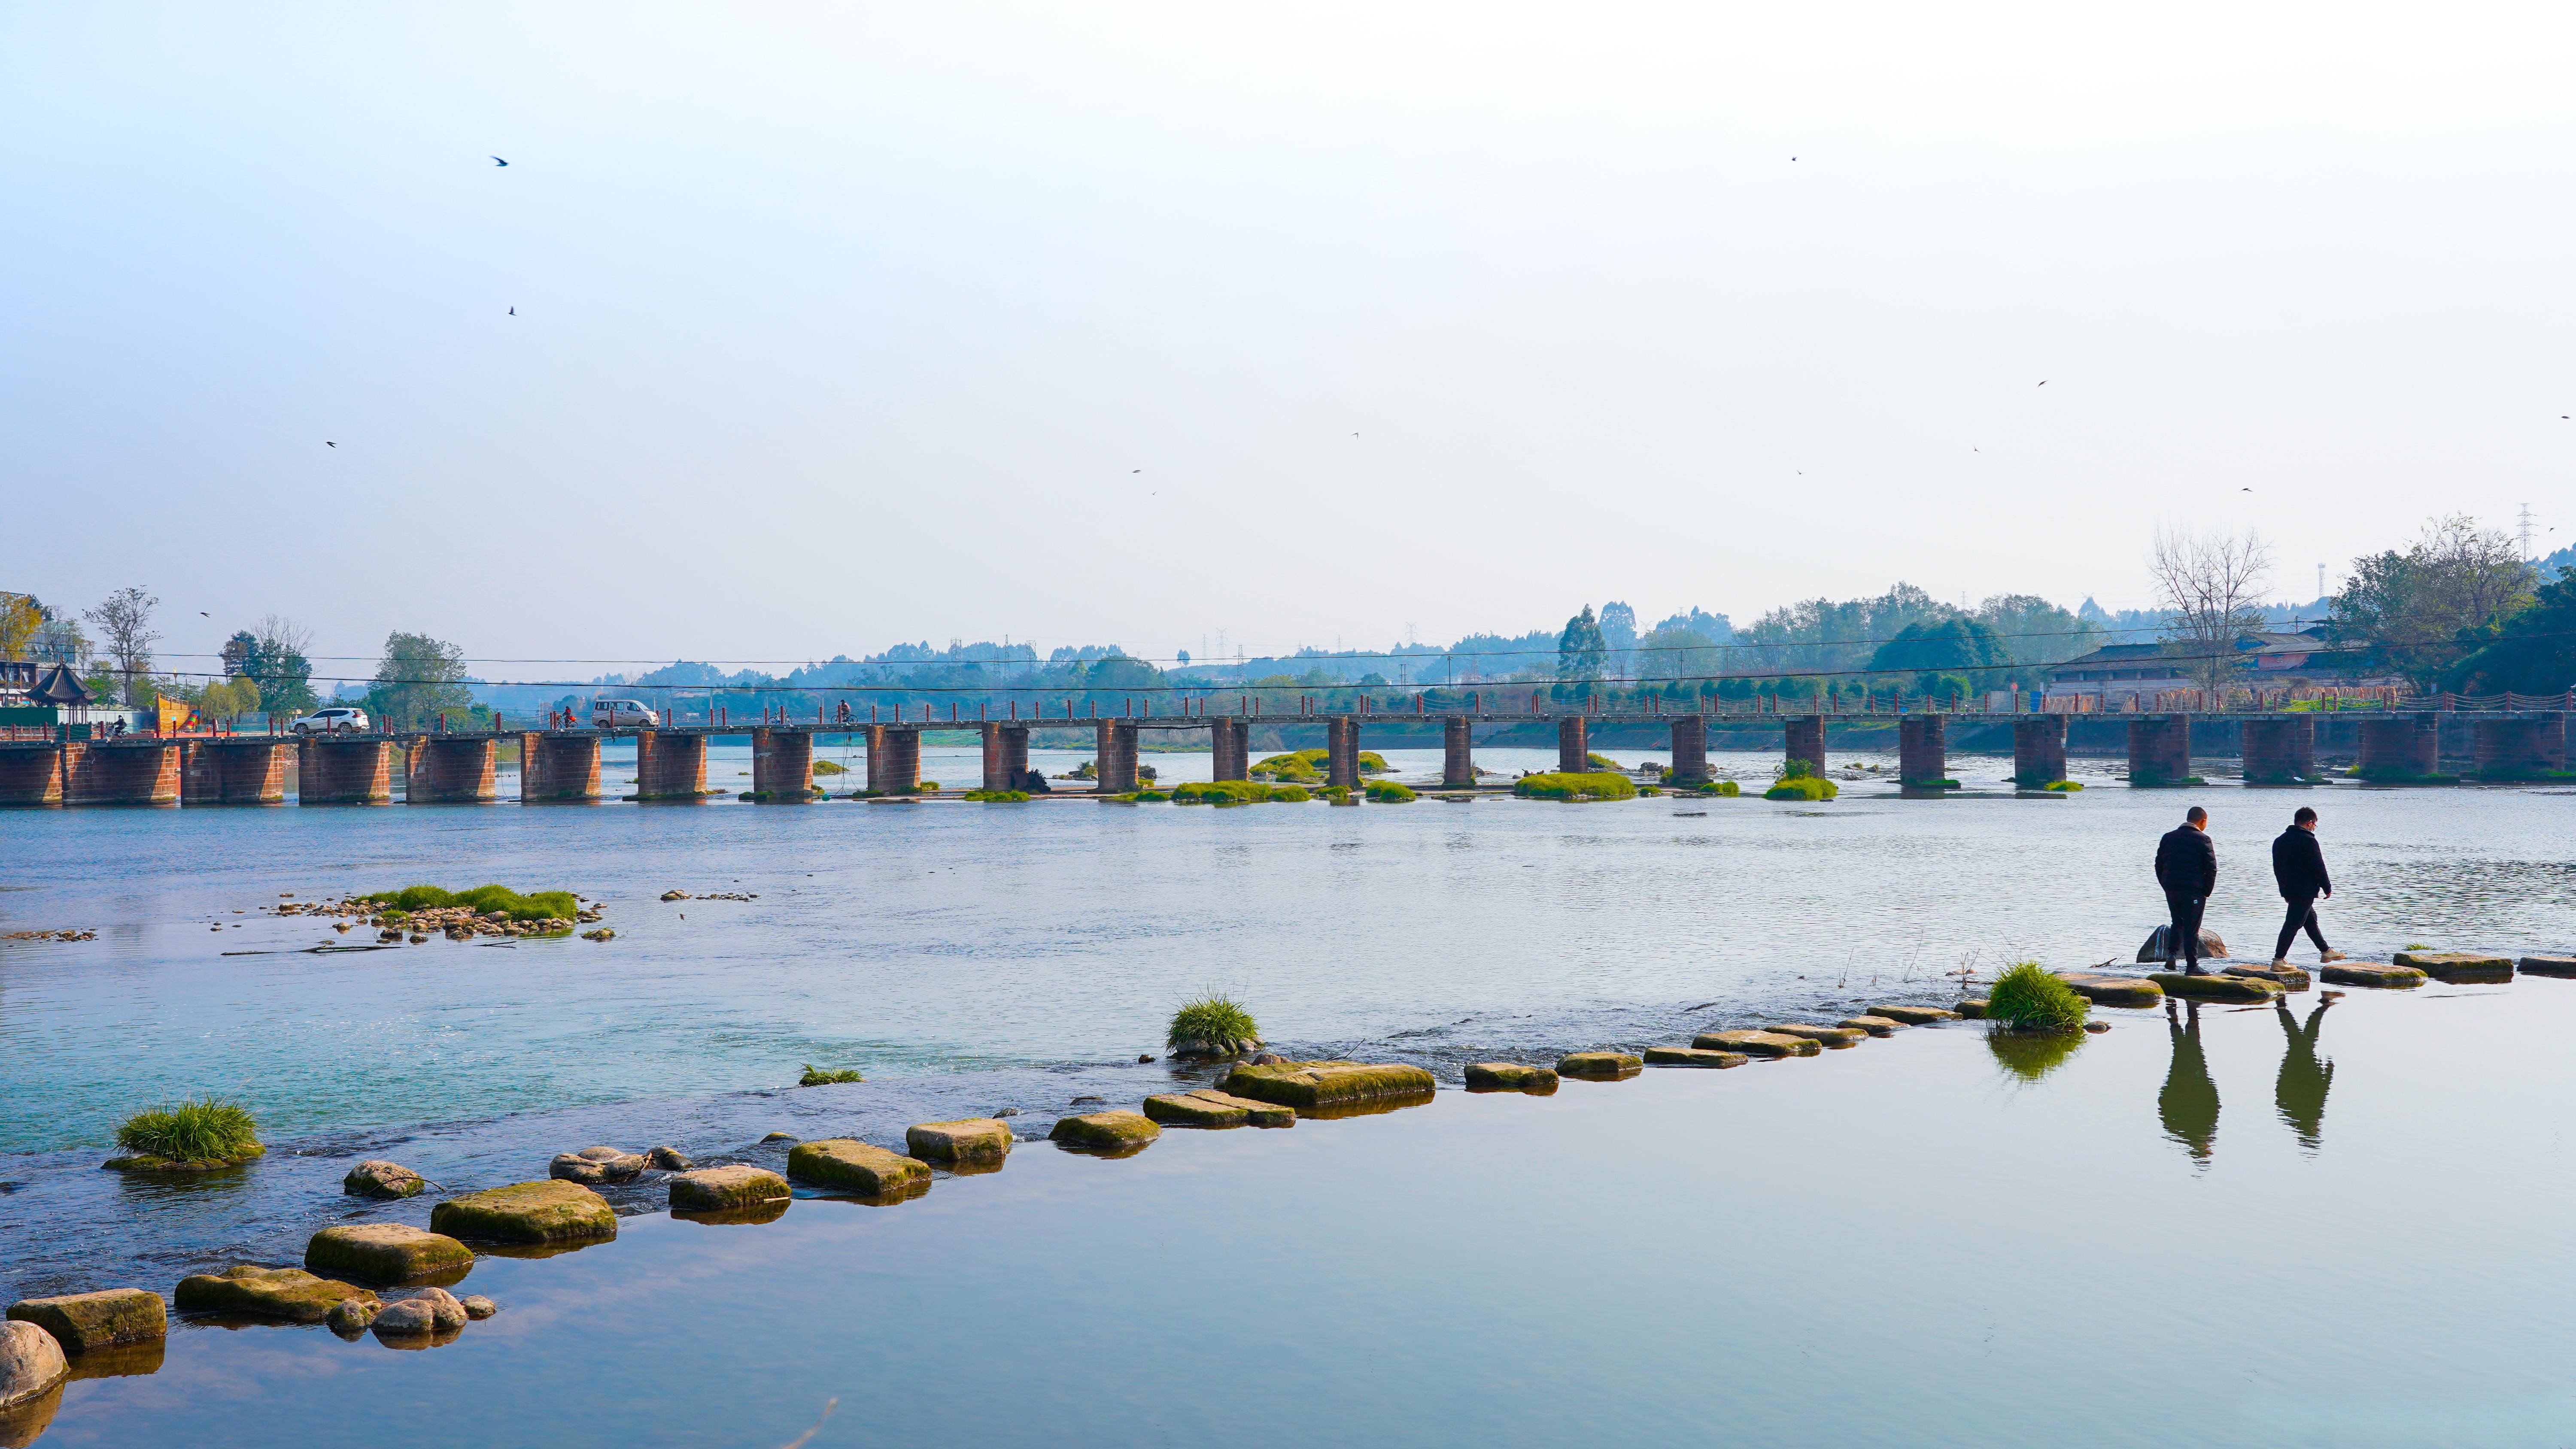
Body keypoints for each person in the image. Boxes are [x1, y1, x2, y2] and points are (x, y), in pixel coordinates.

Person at [2269, 806, 2347, 967]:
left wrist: (2284, 890)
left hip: (2289, 889)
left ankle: (2326, 951)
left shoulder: (2280, 840)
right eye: (2315, 825)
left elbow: (2277, 868)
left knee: (2310, 920)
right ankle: (2278, 960)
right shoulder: (2309, 840)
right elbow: (2318, 865)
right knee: (2293, 924)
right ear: (2310, 823)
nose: (2314, 828)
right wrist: (2327, 887)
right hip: (2304, 890)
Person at [2154, 806, 2218, 974]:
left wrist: (2166, 885)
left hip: (2172, 889)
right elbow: (2212, 869)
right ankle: (2192, 966)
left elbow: (2158, 864)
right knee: (2192, 928)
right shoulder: (2203, 839)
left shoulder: (2168, 838)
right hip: (2193, 891)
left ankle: (2172, 956)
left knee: (2177, 922)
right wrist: (2206, 892)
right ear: (2203, 821)